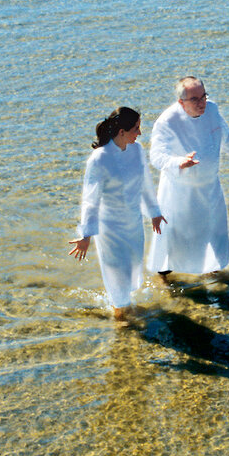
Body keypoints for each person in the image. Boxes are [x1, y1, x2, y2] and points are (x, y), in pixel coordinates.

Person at [146, 76, 229, 279]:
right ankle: (165, 280)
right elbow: (156, 156)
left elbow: (227, 138)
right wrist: (178, 162)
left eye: (203, 96)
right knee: (174, 237)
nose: (201, 102)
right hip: (180, 191)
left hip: (210, 186)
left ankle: (215, 275)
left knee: (214, 231)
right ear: (181, 102)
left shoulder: (212, 110)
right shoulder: (167, 121)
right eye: (195, 99)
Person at [68, 107, 166, 322]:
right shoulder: (99, 159)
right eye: (136, 129)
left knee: (132, 272)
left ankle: (122, 307)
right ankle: (121, 320)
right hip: (109, 228)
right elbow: (90, 200)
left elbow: (146, 183)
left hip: (133, 223)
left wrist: (154, 212)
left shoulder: (137, 150)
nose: (139, 133)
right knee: (117, 277)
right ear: (121, 132)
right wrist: (86, 235)